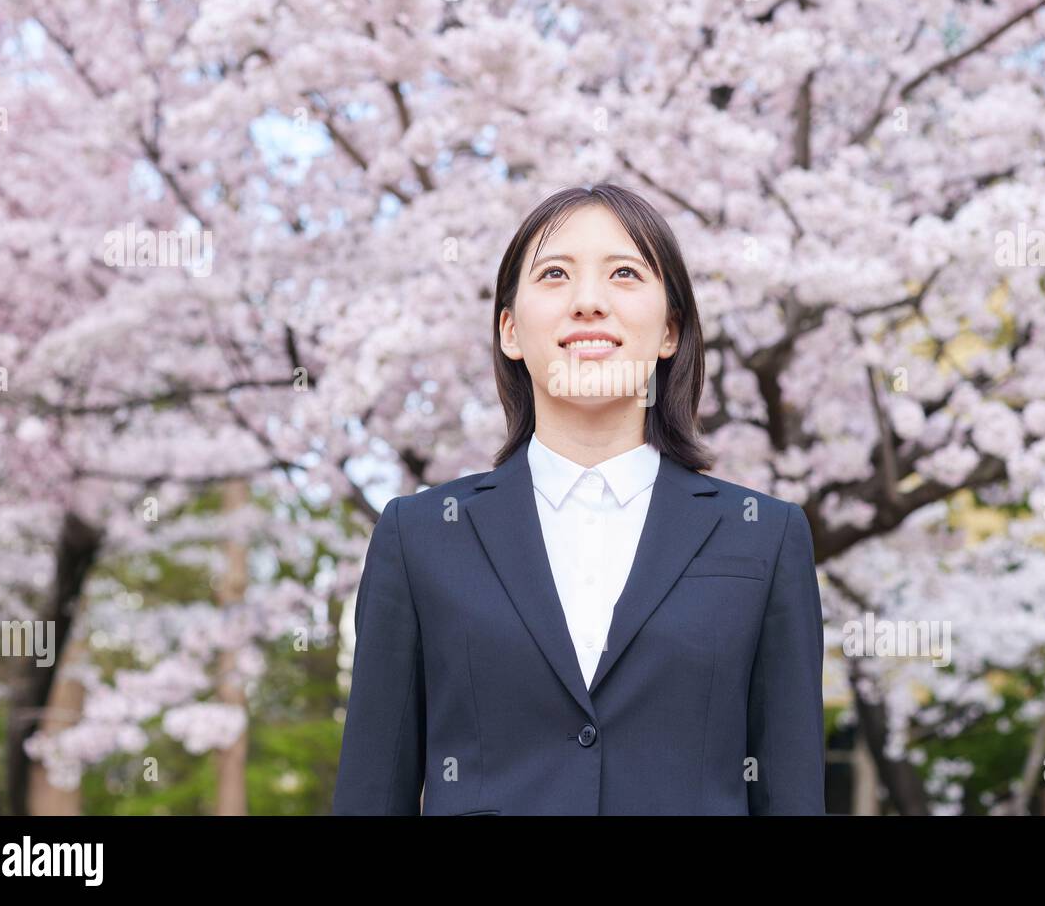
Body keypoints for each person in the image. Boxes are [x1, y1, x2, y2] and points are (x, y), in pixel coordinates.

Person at [332, 183, 825, 815]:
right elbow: (371, 793)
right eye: (555, 275)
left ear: (670, 330)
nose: (589, 302)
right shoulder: (420, 535)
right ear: (510, 329)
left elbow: (791, 795)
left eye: (624, 274)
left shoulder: (764, 536)